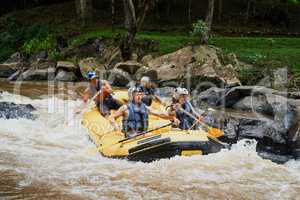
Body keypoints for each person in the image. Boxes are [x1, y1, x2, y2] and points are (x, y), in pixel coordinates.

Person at [109, 87, 179, 137]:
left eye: (140, 95)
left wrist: (172, 118)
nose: (139, 97)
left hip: (142, 134)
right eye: (137, 95)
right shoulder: (125, 108)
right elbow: (112, 117)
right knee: (150, 135)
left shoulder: (145, 107)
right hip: (130, 135)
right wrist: (116, 126)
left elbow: (160, 114)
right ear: (131, 96)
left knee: (152, 135)